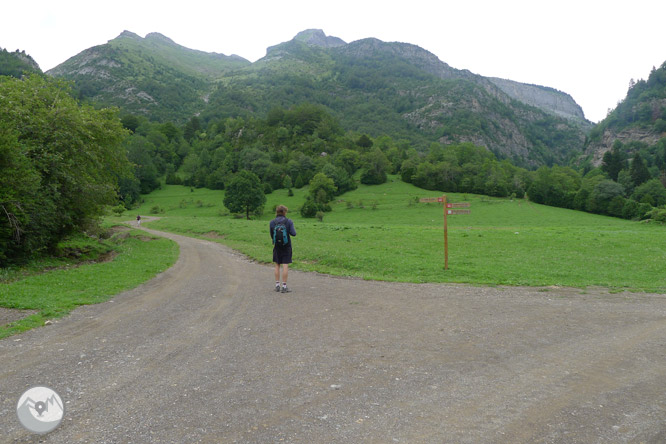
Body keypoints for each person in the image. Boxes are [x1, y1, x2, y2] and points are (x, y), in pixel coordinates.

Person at [269, 205, 296, 293]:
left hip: (277, 246)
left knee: (277, 264)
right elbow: (293, 233)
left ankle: (277, 286)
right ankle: (284, 287)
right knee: (285, 265)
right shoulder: (288, 221)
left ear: (276, 212)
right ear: (285, 212)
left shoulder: (272, 222)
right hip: (287, 246)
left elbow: (271, 235)